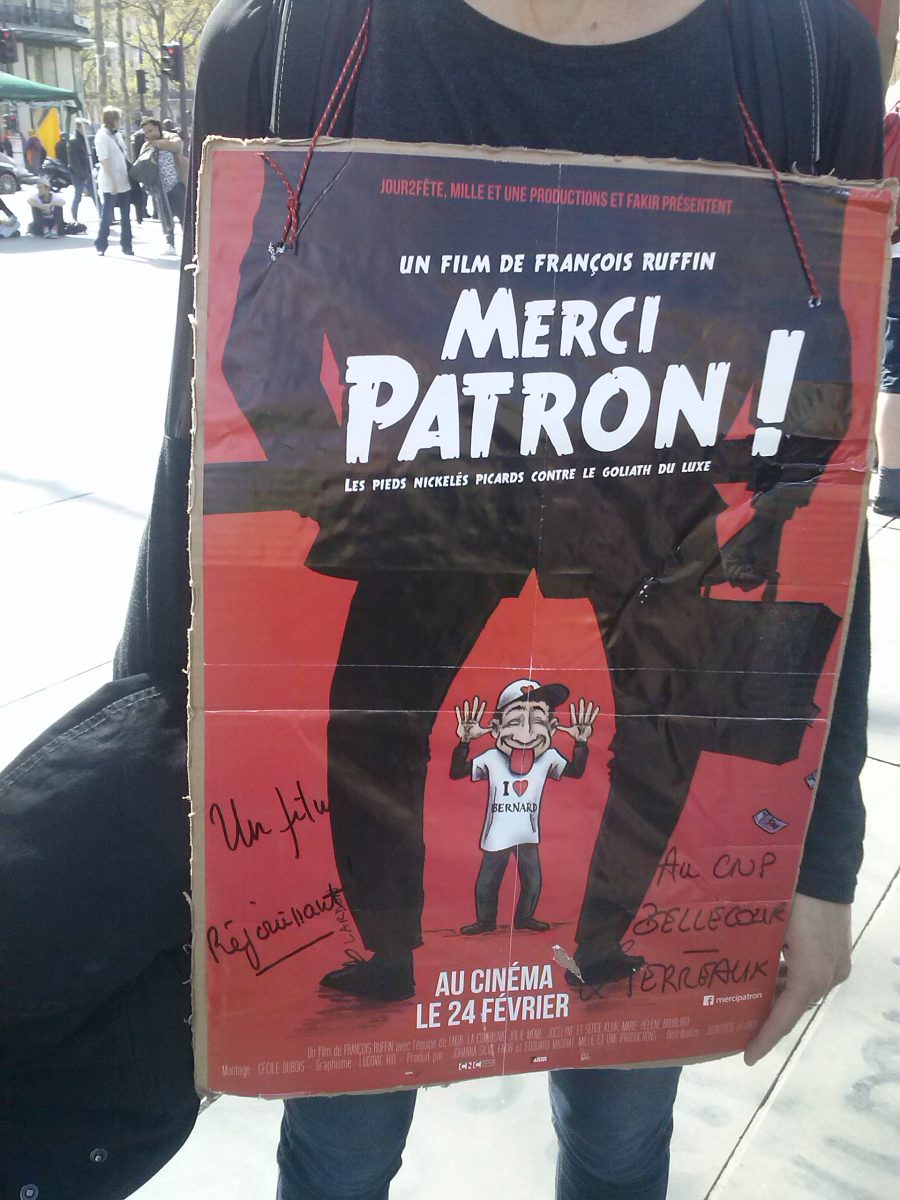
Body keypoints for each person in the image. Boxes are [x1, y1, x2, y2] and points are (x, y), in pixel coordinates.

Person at [113, 1, 880, 1198]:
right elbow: (210, 403)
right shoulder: (285, 41)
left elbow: (826, 388)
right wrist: (138, 818)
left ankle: (598, 942)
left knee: (623, 1126)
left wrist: (822, 854)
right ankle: (393, 949)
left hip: (655, 512)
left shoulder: (806, 55)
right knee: (342, 1134)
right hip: (428, 497)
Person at [450, 682, 599, 938]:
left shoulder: (548, 758)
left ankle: (524, 917)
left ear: (552, 727)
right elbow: (457, 772)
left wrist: (581, 742)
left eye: (537, 720)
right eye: (515, 720)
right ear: (495, 728)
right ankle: (485, 921)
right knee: (487, 882)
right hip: (496, 836)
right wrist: (464, 740)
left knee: (532, 881)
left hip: (527, 835)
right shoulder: (492, 758)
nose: (526, 732)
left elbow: (575, 772)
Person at [875, 81, 900, 518]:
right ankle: (890, 482)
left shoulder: (893, 96)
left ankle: (889, 477)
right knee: (895, 374)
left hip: (890, 250)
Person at [139, 117, 188, 253]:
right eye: (146, 132)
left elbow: (177, 146)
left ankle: (189, 244)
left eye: (150, 131)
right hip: (160, 189)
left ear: (157, 128)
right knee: (166, 217)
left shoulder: (170, 137)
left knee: (184, 216)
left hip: (177, 185)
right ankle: (170, 243)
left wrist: (156, 143)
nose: (148, 135)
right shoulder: (146, 145)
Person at [94, 105, 133, 256]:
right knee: (107, 215)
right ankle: (101, 244)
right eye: (118, 119)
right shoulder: (102, 136)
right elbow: (103, 160)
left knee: (126, 215)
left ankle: (127, 245)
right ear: (113, 120)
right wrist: (112, 182)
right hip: (110, 181)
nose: (120, 121)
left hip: (123, 179)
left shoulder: (118, 135)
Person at [67, 120, 96, 221]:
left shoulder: (84, 140)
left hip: (87, 172)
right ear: (79, 127)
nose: (87, 130)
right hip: (78, 174)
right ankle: (74, 216)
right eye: (85, 127)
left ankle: (104, 216)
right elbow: (74, 161)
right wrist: (82, 175)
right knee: (78, 195)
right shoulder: (73, 141)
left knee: (94, 194)